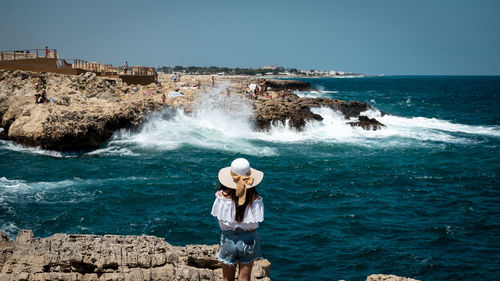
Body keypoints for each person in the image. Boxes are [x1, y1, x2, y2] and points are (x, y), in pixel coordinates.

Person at [211, 158, 264, 281]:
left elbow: (222, 222)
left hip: (228, 239)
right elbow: (254, 223)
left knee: (227, 279)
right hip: (249, 240)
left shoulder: (221, 197)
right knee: (244, 278)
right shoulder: (255, 199)